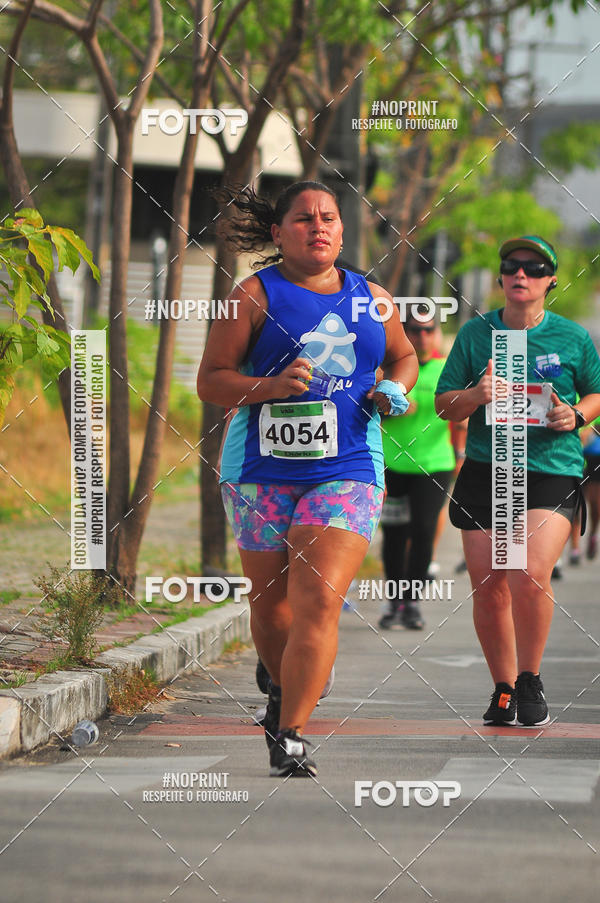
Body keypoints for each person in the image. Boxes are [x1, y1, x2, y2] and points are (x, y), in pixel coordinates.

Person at [197, 181, 417, 776]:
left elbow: (403, 355)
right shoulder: (252, 295)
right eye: (302, 219)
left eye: (328, 219)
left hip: (347, 467)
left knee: (317, 599)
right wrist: (269, 388)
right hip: (259, 469)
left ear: (342, 232)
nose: (317, 227)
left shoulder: (372, 297)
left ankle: (290, 731)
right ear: (278, 233)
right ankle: (281, 682)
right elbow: (210, 381)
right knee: (272, 612)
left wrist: (396, 388)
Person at [435, 236, 600, 726]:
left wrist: (575, 415)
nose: (521, 274)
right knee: (489, 586)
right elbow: (444, 403)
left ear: (551, 279)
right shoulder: (476, 334)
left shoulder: (572, 337)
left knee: (528, 570)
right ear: (502, 277)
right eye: (512, 267)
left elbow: (595, 394)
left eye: (534, 267)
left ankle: (531, 678)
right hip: (489, 467)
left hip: (551, 467)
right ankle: (504, 688)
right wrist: (476, 394)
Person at [379, 309, 464, 630]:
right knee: (395, 535)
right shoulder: (391, 370)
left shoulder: (447, 370)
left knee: (424, 531)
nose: (422, 337)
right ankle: (394, 602)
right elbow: (365, 409)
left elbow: (460, 413)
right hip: (393, 466)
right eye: (414, 330)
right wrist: (387, 408)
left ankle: (412, 601)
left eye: (429, 330)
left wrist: (461, 453)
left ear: (438, 334)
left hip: (433, 466)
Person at [583, 417, 600, 559]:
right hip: (584, 457)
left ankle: (593, 534)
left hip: (596, 458)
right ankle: (573, 548)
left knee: (596, 506)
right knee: (588, 505)